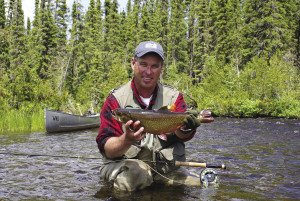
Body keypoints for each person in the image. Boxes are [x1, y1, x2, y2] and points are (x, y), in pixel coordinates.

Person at [96, 41, 201, 191]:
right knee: (134, 176)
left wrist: (186, 129)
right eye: (144, 64)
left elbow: (182, 135)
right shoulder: (116, 100)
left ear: (161, 68)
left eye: (154, 66)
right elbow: (107, 149)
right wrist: (127, 139)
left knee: (198, 184)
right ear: (133, 63)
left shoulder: (174, 98)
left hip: (165, 168)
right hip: (126, 168)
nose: (148, 72)